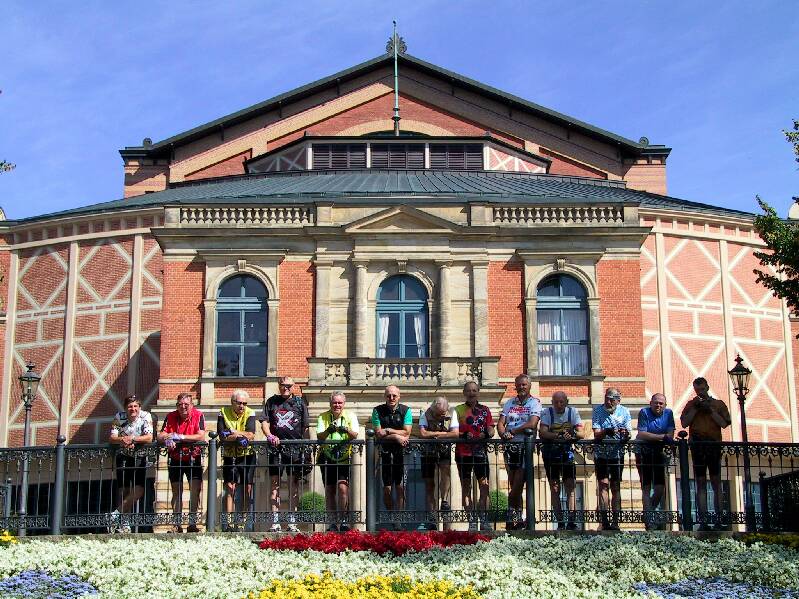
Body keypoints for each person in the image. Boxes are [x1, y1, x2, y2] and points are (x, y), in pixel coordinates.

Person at [680, 377, 732, 531]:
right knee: (700, 482)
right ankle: (702, 520)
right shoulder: (691, 404)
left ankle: (718, 519)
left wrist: (710, 410)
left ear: (707, 387)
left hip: (713, 445)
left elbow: (724, 423)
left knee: (716, 482)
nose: (700, 392)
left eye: (702, 389)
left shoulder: (718, 404)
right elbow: (684, 423)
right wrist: (696, 408)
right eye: (697, 390)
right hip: (698, 446)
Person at [260, 376, 310, 533]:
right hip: (276, 448)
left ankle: (292, 521)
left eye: (288, 385)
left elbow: (306, 427)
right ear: (279, 386)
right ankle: (275, 522)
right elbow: (264, 421)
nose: (285, 388)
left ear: (293, 386)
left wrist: (305, 450)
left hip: (295, 449)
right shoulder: (271, 402)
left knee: (293, 486)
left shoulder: (300, 403)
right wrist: (269, 436)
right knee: (274, 485)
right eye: (282, 385)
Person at [497, 374, 541, 530]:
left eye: (524, 385)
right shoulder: (509, 403)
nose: (521, 387)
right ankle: (519, 518)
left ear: (529, 386)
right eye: (519, 385)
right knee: (513, 482)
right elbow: (501, 423)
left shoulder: (535, 403)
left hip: (525, 447)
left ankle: (510, 515)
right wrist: (504, 434)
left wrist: (513, 431)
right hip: (510, 447)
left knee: (518, 484)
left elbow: (532, 423)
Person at [157, 392, 207, 533]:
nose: (183, 407)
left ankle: (192, 523)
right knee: (176, 491)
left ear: (192, 405)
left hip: (193, 457)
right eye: (180, 405)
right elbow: (160, 435)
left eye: (186, 404)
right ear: (177, 406)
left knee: (195, 491)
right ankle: (176, 524)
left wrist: (180, 436)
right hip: (175, 458)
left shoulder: (198, 415)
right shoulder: (171, 416)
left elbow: (201, 435)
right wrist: (168, 438)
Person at [451, 381, 495, 531]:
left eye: (474, 390)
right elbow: (453, 431)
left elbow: (491, 428)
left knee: (484, 486)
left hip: (480, 453)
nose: (471, 393)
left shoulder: (485, 410)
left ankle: (483, 519)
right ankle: (471, 520)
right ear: (464, 393)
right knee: (466, 487)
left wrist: (486, 433)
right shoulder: (457, 410)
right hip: (463, 453)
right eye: (469, 391)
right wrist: (464, 434)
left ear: (478, 392)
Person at [539, 391, 584, 530]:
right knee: (554, 487)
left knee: (570, 485)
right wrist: (558, 434)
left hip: (566, 454)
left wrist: (572, 434)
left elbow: (582, 433)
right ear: (552, 402)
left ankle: (572, 521)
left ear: (566, 402)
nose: (559, 405)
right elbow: (543, 432)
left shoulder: (573, 412)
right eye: (556, 402)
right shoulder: (547, 412)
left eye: (561, 402)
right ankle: (560, 522)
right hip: (550, 454)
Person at [109, 394, 154, 533]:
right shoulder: (119, 417)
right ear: (125, 408)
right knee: (124, 491)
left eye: (135, 406)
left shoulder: (146, 416)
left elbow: (149, 437)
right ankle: (125, 524)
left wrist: (133, 439)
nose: (132, 409)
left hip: (139, 456)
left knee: (138, 490)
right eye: (130, 406)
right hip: (123, 455)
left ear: (139, 407)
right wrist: (123, 440)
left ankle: (115, 515)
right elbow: (112, 437)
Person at [317, 391, 359, 531]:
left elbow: (355, 435)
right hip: (327, 456)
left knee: (342, 488)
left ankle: (344, 520)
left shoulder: (350, 416)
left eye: (340, 402)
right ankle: (332, 523)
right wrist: (329, 430)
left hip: (344, 457)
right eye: (335, 402)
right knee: (329, 490)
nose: (337, 405)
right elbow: (320, 436)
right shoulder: (323, 417)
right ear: (330, 403)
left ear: (344, 404)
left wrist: (344, 428)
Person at [591, 387, 632, 531]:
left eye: (612, 399)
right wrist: (607, 431)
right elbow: (596, 432)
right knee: (603, 484)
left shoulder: (624, 411)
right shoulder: (598, 410)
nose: (609, 401)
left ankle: (616, 521)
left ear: (618, 400)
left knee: (615, 486)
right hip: (601, 453)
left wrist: (625, 434)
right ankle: (604, 520)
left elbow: (628, 433)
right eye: (607, 398)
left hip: (617, 454)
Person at [371, 385, 412, 526]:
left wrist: (388, 430)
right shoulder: (377, 411)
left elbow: (407, 432)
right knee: (387, 489)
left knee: (400, 487)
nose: (391, 398)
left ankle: (398, 519)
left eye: (394, 395)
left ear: (399, 397)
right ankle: (391, 516)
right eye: (389, 395)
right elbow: (378, 433)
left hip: (401, 453)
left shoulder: (406, 410)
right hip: (384, 453)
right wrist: (396, 436)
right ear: (385, 397)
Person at [217, 389, 256, 531]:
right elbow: (222, 435)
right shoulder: (223, 412)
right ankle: (228, 523)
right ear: (232, 402)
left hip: (247, 454)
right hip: (230, 454)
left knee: (247, 487)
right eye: (239, 403)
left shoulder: (250, 412)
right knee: (230, 487)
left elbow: (251, 434)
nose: (242, 406)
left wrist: (233, 432)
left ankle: (242, 522)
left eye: (244, 403)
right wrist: (240, 436)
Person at [635, 393, 675, 530]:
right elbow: (642, 434)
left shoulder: (669, 414)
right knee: (646, 487)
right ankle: (649, 521)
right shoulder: (644, 412)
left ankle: (648, 513)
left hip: (659, 452)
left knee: (659, 488)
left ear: (665, 405)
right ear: (650, 403)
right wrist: (662, 437)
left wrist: (659, 437)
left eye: (661, 403)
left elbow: (671, 435)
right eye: (656, 402)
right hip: (643, 452)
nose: (658, 405)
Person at [417, 396, 458, 531]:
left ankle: (444, 500)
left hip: (444, 449)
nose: (441, 417)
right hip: (428, 451)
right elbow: (422, 433)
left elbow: (455, 434)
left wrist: (435, 435)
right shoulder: (425, 413)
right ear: (433, 408)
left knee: (446, 471)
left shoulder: (452, 413)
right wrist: (442, 433)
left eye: (443, 414)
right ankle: (432, 517)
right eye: (438, 414)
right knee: (429, 484)